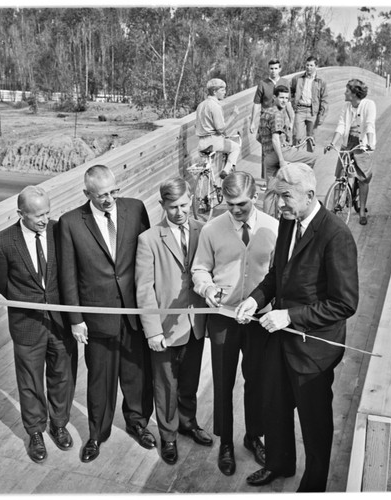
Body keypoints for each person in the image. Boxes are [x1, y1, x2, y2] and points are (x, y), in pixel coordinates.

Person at [235, 162, 359, 492]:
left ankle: (314, 484)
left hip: (313, 350)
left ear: (309, 194)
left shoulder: (336, 235)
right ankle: (279, 463)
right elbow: (277, 277)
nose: (279, 205)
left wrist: (290, 317)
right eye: (276, 197)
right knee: (275, 407)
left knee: (314, 421)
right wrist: (255, 299)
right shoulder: (289, 223)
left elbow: (345, 303)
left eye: (285, 197)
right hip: (281, 340)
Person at [58, 164, 155, 463]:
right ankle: (97, 435)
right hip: (98, 319)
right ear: (87, 193)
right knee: (100, 380)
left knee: (137, 374)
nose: (110, 199)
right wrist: (76, 320)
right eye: (102, 195)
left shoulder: (136, 209)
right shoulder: (71, 222)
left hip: (134, 312)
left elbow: (147, 258)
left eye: (114, 191)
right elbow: (68, 276)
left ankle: (138, 423)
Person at [191, 171, 278, 476]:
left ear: (255, 196)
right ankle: (225, 442)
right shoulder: (212, 229)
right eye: (230, 204)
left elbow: (277, 275)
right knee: (223, 381)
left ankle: (253, 436)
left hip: (258, 321)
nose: (236, 210)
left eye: (241, 203)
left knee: (257, 381)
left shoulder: (273, 228)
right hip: (223, 319)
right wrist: (206, 288)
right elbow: (200, 269)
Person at [0, 186, 77, 464]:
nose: (44, 219)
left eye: (47, 212)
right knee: (29, 382)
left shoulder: (59, 230)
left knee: (63, 375)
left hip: (60, 322)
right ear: (20, 213)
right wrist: (25, 299)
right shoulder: (2, 242)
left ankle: (58, 424)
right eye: (37, 215)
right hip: (26, 324)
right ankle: (35, 431)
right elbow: (1, 281)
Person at [135, 177, 213, 465]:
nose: (179, 212)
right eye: (172, 207)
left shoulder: (203, 230)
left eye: (183, 205)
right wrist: (152, 331)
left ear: (191, 200)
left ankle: (188, 423)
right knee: (165, 384)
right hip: (165, 328)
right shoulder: (149, 240)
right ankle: (168, 435)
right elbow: (144, 289)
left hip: (195, 323)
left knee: (189, 380)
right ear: (162, 206)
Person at [325, 79, 376, 225]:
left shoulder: (369, 105)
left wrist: (370, 144)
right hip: (348, 142)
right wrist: (332, 143)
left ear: (354, 94)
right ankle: (336, 206)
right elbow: (341, 125)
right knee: (340, 173)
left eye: (347, 91)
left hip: (363, 143)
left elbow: (369, 125)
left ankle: (361, 212)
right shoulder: (346, 106)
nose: (344, 93)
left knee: (363, 178)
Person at [260, 85, 316, 217]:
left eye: (286, 98)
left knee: (270, 190)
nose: (284, 101)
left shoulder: (265, 113)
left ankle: (268, 219)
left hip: (267, 156)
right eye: (281, 98)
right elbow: (275, 139)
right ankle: (297, 186)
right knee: (312, 158)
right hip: (280, 153)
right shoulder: (277, 114)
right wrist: (281, 160)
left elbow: (259, 136)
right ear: (274, 97)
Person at [249, 58, 294, 178]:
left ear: (280, 69)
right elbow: (256, 104)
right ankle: (265, 179)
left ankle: (280, 177)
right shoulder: (263, 84)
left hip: (280, 121)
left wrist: (292, 120)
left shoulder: (285, 82)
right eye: (271, 68)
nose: (273, 71)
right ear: (268, 69)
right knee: (266, 150)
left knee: (282, 148)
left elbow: (288, 103)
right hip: (266, 121)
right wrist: (252, 122)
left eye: (276, 68)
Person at [195, 77, 240, 180]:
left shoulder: (200, 105)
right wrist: (233, 115)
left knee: (206, 170)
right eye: (222, 90)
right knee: (235, 147)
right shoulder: (215, 106)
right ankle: (226, 171)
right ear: (215, 91)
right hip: (214, 142)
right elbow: (220, 129)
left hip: (201, 143)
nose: (225, 92)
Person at [290, 56, 328, 149]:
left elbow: (324, 99)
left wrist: (321, 116)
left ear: (316, 66)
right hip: (300, 110)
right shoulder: (297, 79)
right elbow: (291, 92)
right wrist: (293, 104)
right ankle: (295, 160)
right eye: (307, 65)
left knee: (311, 139)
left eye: (311, 65)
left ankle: (309, 162)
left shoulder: (321, 81)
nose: (308, 67)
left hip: (313, 112)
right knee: (297, 136)